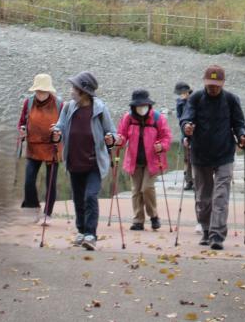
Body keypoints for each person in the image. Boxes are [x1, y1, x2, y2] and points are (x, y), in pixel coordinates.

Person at [180, 65, 245, 251]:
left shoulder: (231, 100)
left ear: (223, 83)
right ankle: (206, 229)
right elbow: (186, 118)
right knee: (203, 198)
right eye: (210, 84)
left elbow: (239, 123)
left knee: (220, 196)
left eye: (217, 85)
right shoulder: (196, 98)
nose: (213, 88)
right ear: (204, 82)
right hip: (200, 154)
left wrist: (242, 135)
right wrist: (186, 127)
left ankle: (217, 235)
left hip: (224, 154)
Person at [51, 71, 117, 251]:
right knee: (78, 198)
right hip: (74, 160)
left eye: (74, 88)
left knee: (90, 196)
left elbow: (112, 132)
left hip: (94, 163)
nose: (71, 91)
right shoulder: (68, 107)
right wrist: (56, 132)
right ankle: (81, 231)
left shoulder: (100, 109)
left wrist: (111, 138)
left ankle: (91, 235)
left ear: (84, 91)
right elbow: (60, 125)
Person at [116, 89, 172, 231]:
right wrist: (118, 141)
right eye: (138, 105)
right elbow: (121, 135)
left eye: (144, 105)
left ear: (149, 105)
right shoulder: (128, 118)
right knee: (136, 190)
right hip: (134, 160)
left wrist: (162, 146)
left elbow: (167, 137)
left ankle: (153, 216)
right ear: (133, 107)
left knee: (146, 188)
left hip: (152, 161)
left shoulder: (158, 118)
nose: (141, 108)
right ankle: (138, 220)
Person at [17, 74, 64, 223]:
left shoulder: (60, 104)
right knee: (29, 181)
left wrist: (59, 132)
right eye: (38, 90)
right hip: (33, 147)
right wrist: (22, 130)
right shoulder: (28, 103)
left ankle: (47, 214)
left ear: (49, 91)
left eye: (43, 91)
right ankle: (33, 207)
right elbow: (21, 123)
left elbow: (65, 127)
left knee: (50, 182)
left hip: (52, 148)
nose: (40, 94)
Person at [174, 81, 194, 191]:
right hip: (184, 131)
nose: (181, 95)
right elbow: (179, 118)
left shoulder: (194, 100)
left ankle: (196, 180)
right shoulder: (179, 102)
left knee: (194, 157)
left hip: (195, 132)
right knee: (187, 158)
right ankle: (188, 181)